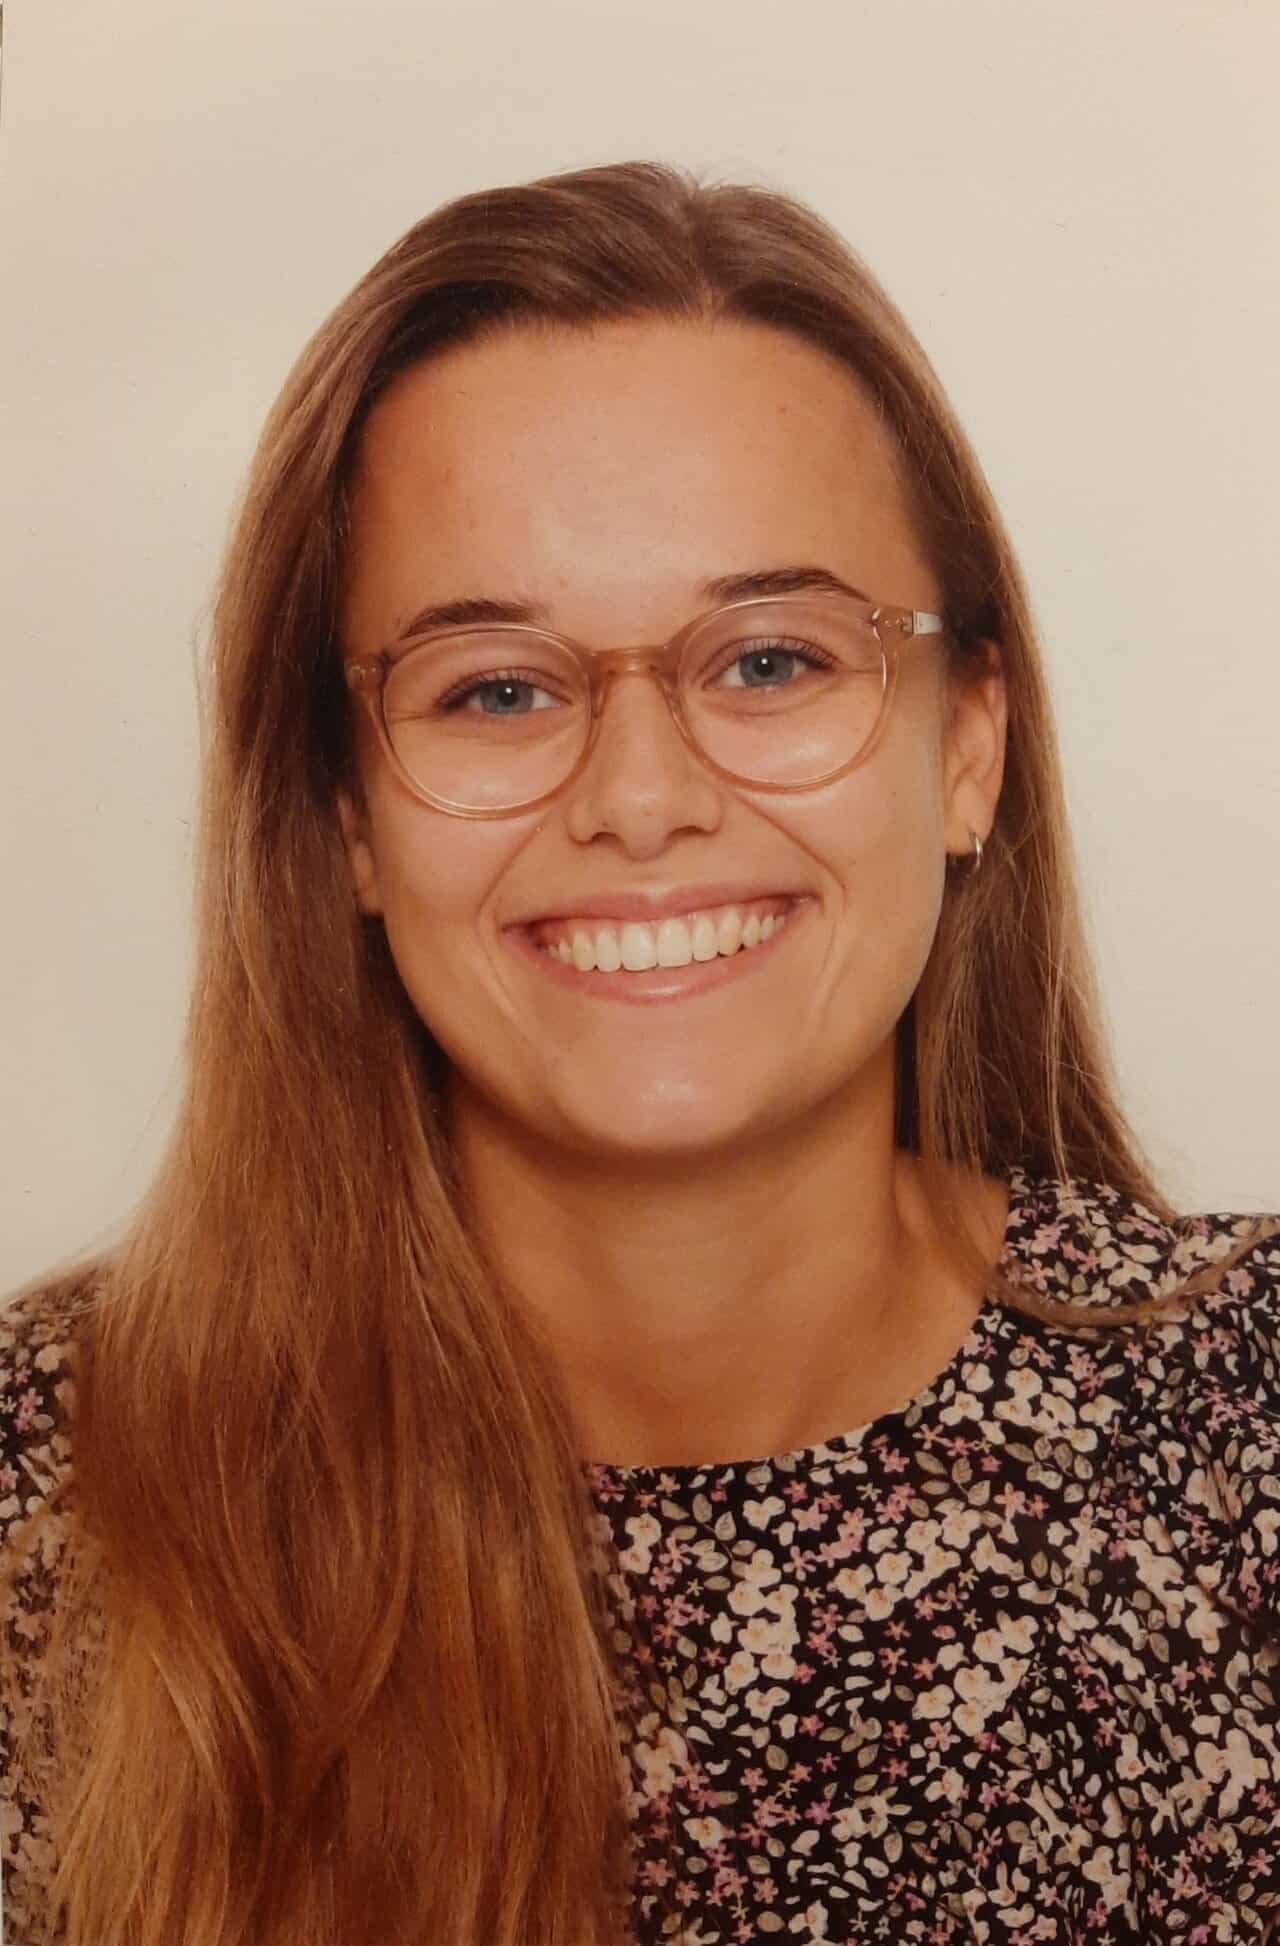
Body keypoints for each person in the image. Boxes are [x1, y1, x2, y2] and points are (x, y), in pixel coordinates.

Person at [1, 159, 1277, 1946]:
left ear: (967, 749)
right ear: (349, 817)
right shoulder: (60, 1489)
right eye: (496, 686)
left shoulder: (1244, 1415)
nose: (642, 796)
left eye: (768, 660)